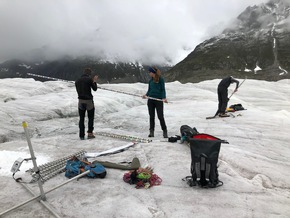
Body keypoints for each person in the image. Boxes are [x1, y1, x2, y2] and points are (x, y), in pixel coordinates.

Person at [143, 67, 168, 138]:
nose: (149, 73)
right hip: (150, 100)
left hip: (158, 100)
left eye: (150, 72)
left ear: (153, 72)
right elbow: (149, 90)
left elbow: (163, 89)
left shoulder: (161, 80)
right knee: (151, 116)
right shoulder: (150, 81)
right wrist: (146, 95)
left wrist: (164, 97)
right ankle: (151, 132)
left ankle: (164, 131)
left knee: (160, 116)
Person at [75, 68, 98, 140]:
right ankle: (90, 133)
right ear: (89, 73)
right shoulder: (89, 79)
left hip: (81, 101)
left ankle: (81, 135)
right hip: (89, 101)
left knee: (81, 118)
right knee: (90, 117)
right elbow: (95, 89)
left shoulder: (77, 80)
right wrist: (94, 81)